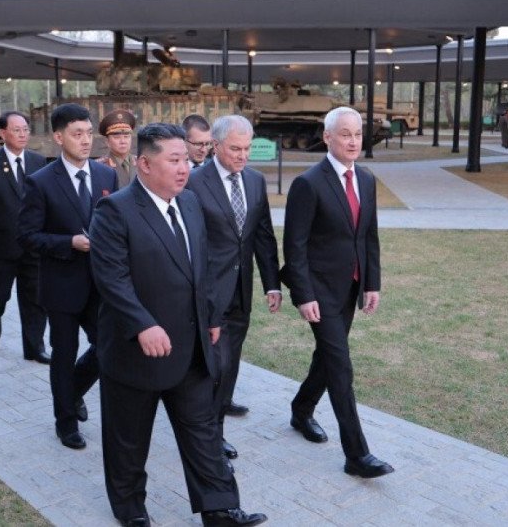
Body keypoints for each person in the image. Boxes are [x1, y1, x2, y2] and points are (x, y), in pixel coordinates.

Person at [90, 122, 267, 527]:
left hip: (191, 346)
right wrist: (142, 325)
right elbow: (111, 278)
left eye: (186, 159)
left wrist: (212, 315)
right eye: (174, 160)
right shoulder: (115, 210)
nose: (185, 168)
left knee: (203, 432)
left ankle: (220, 509)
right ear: (144, 164)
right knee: (129, 439)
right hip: (137, 352)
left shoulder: (188, 203)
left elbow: (200, 266)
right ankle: (131, 510)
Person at [281, 106, 393, 479]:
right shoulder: (308, 183)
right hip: (319, 292)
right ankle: (357, 455)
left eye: (358, 134)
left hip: (350, 288)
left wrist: (372, 283)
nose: (353, 141)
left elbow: (369, 236)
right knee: (341, 366)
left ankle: (301, 410)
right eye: (345, 134)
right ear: (327, 137)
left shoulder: (367, 179)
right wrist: (304, 294)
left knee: (328, 357)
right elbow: (295, 246)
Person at [18, 103, 119, 450]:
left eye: (89, 133)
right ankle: (66, 423)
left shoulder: (106, 176)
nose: (86, 140)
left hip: (100, 284)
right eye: (78, 134)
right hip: (61, 286)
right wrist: (69, 243)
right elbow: (27, 236)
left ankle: (73, 391)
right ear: (59, 138)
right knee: (63, 355)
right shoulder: (40, 182)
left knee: (107, 347)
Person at [187, 115, 280, 462]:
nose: (243, 155)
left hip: (241, 292)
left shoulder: (255, 181)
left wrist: (272, 284)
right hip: (207, 294)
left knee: (231, 364)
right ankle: (208, 438)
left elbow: (263, 236)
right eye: (235, 149)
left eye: (247, 148)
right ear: (215, 145)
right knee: (216, 364)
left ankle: (214, 425)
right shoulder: (194, 183)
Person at [0, 111, 50, 362]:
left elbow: (45, 202)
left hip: (33, 245)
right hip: (2, 246)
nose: (23, 134)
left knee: (35, 299)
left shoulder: (38, 161)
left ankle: (34, 348)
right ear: (3, 133)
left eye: (25, 129)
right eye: (17, 130)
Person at [97, 109, 137, 188]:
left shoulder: (141, 163)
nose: (123, 141)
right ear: (107, 142)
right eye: (117, 137)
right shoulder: (99, 166)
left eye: (126, 136)